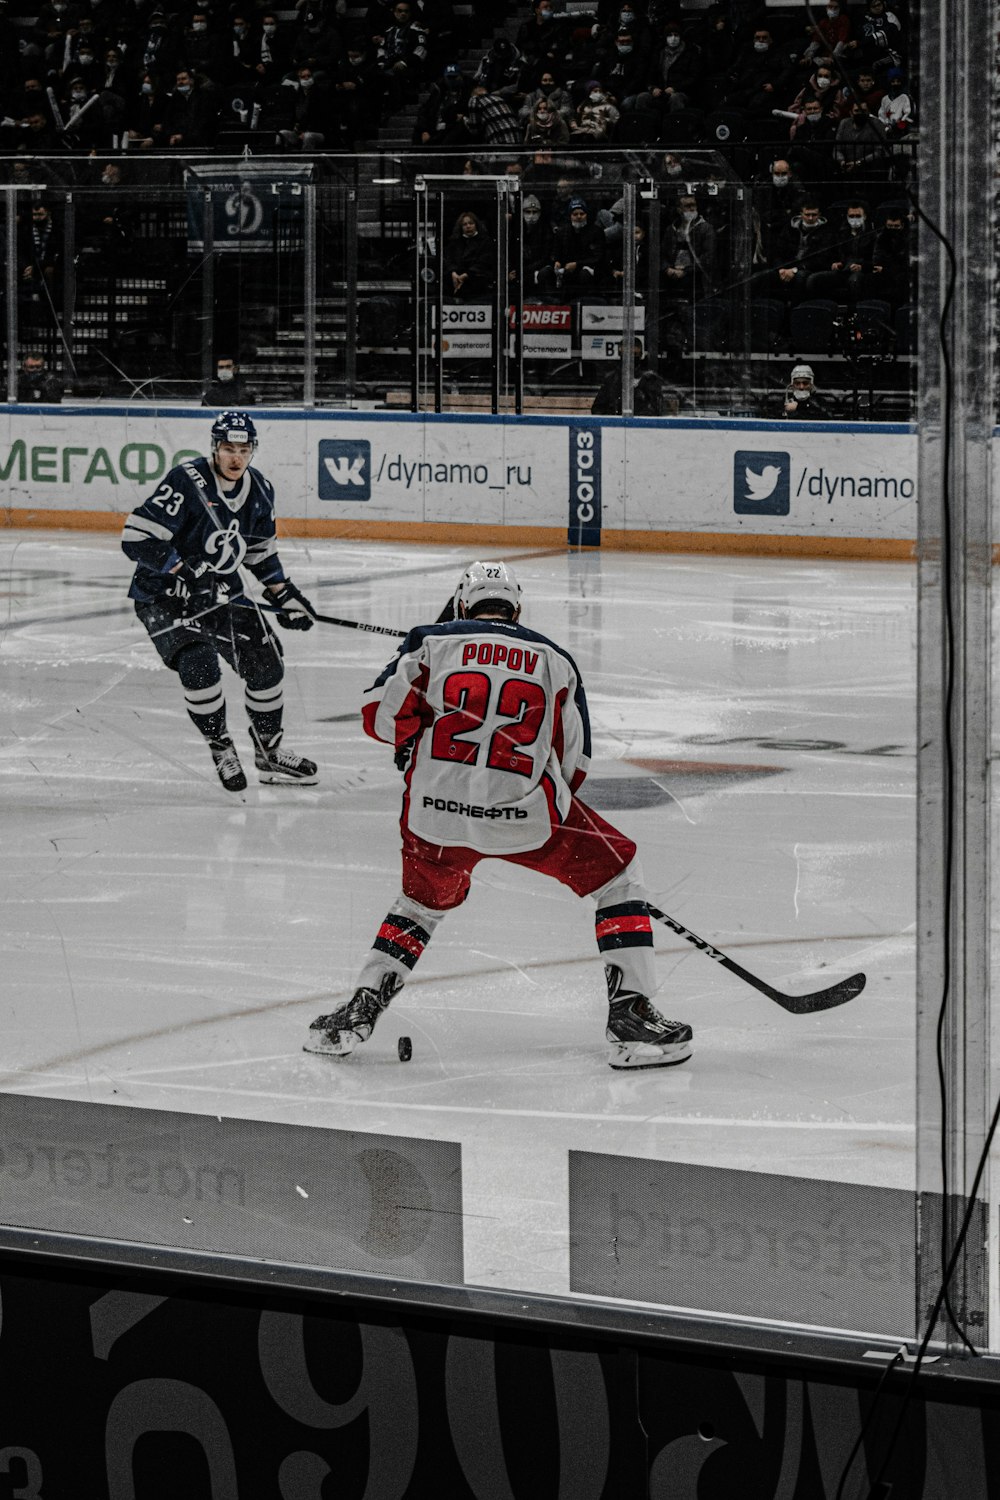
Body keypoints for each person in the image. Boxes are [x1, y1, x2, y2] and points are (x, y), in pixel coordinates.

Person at [305, 561, 692, 1070]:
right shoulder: (556, 659)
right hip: (529, 819)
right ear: (517, 608)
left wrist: (421, 743)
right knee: (618, 876)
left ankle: (359, 1011)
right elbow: (574, 763)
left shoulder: (430, 642)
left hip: (434, 818)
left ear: (462, 604)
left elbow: (378, 718)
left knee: (419, 906)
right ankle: (631, 1018)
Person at [121, 411, 319, 794]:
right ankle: (220, 745)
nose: (236, 458)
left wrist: (286, 596)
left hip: (220, 593)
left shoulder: (259, 490)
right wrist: (184, 569)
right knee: (199, 664)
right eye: (228, 449)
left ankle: (268, 751)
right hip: (163, 595)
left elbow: (260, 555)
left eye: (244, 450)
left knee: (266, 664)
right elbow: (135, 538)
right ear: (214, 448)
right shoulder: (186, 481)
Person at [591, 339, 678, 417]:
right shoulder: (611, 379)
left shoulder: (650, 379)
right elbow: (597, 409)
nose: (630, 358)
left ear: (641, 355)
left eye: (634, 354)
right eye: (625, 354)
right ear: (620, 354)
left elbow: (656, 409)